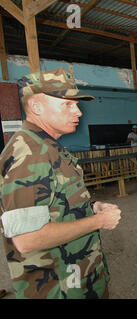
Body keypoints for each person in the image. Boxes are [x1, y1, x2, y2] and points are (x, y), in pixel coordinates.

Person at [0, 68, 121, 299]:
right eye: (66, 104)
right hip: (59, 287)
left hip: (79, 277)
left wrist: (91, 207)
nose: (78, 112)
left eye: (76, 104)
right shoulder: (29, 153)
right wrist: (99, 221)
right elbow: (27, 238)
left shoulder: (46, 145)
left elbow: (54, 201)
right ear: (36, 107)